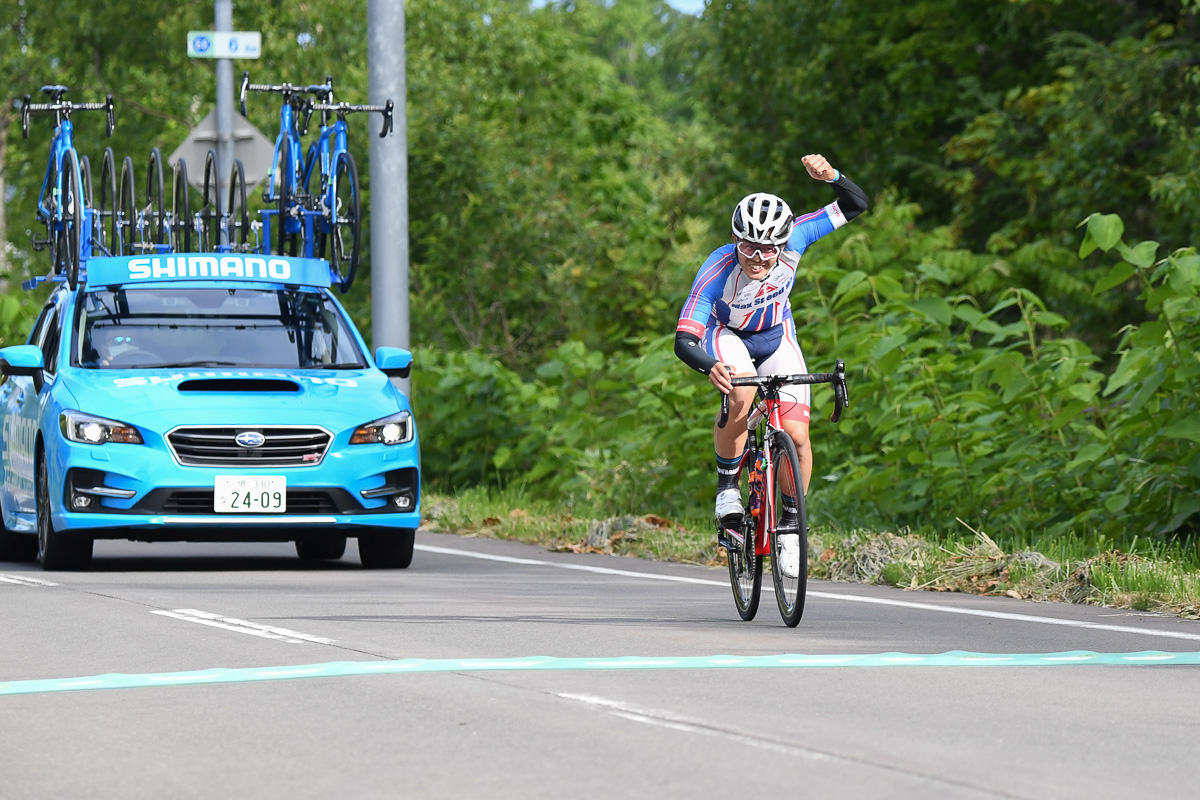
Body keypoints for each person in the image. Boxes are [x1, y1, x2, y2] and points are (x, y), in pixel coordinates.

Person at [673, 154, 868, 578]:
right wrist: (710, 366)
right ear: (734, 239)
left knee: (797, 436)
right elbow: (684, 340)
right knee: (741, 391)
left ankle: (792, 525)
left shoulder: (797, 237)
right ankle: (728, 488)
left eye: (768, 249)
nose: (758, 258)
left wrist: (832, 176)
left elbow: (855, 205)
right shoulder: (716, 270)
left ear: (783, 243)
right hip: (727, 336)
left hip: (777, 335)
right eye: (748, 246)